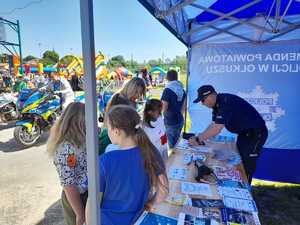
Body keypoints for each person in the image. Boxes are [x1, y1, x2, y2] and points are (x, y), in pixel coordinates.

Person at [87, 105, 169, 225]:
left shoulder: (105, 161)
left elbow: (92, 203)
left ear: (116, 131)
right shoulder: (151, 152)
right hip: (138, 220)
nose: (107, 131)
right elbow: (164, 191)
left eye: (108, 127)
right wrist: (150, 203)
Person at [189, 85, 268, 184]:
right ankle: (239, 183)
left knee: (247, 163)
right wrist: (199, 137)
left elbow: (216, 129)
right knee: (240, 159)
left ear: (210, 96)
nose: (202, 103)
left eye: (203, 100)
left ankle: (245, 190)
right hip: (245, 133)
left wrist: (198, 139)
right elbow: (213, 124)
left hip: (255, 134)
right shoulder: (217, 104)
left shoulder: (225, 103)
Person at [47, 102, 87, 225]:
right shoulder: (65, 148)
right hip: (77, 199)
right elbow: (69, 185)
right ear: (78, 122)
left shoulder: (79, 139)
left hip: (86, 194)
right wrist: (80, 213)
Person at [161, 70, 186, 148]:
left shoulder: (167, 90)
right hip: (180, 119)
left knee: (172, 147)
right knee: (178, 143)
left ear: (167, 78)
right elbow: (184, 107)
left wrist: (161, 117)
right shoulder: (182, 89)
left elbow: (164, 107)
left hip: (170, 121)